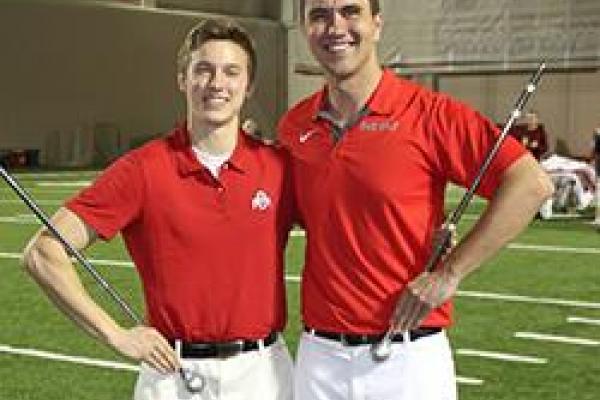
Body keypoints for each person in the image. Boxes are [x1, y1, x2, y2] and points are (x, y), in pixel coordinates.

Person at [277, 1, 554, 399]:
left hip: (407, 360)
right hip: (319, 359)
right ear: (304, 29)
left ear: (377, 24)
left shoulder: (430, 114)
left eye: (350, 11)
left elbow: (530, 184)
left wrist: (450, 273)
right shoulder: (295, 125)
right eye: (319, 15)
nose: (335, 26)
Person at [22, 18, 294, 400]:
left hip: (263, 375)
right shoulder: (143, 169)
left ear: (248, 87)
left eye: (231, 72)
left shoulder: (280, 167)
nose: (217, 83)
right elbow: (42, 253)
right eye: (203, 70)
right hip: (172, 377)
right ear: (183, 80)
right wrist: (115, 334)